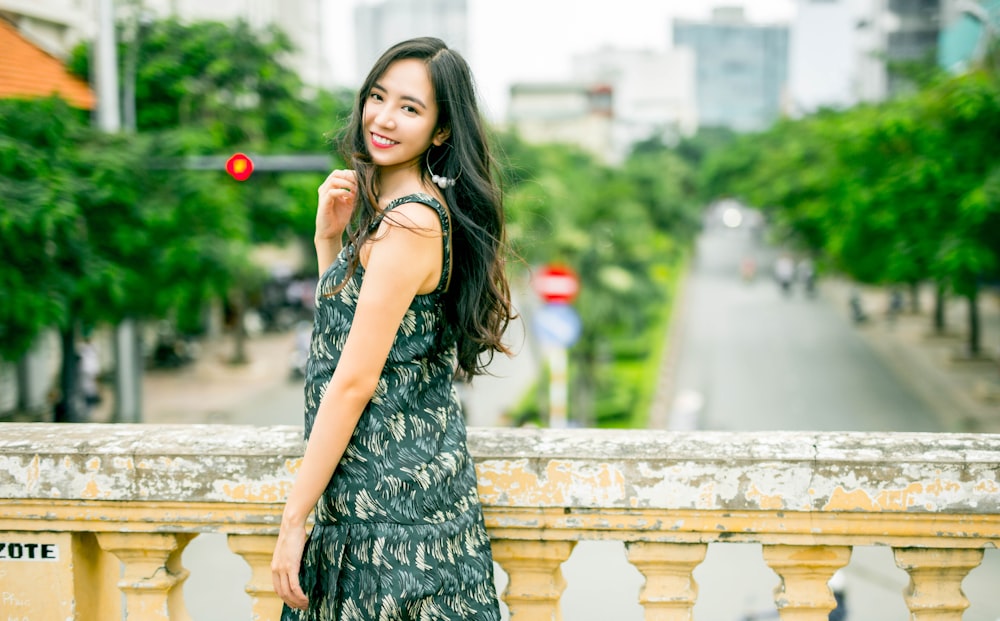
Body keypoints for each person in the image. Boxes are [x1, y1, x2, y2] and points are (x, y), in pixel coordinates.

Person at [271, 37, 511, 620]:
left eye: (410, 107)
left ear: (441, 132)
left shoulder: (410, 224)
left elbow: (352, 382)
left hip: (392, 524)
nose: (382, 117)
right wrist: (328, 241)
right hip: (378, 508)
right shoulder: (397, 215)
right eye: (377, 97)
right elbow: (345, 336)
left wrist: (292, 519)